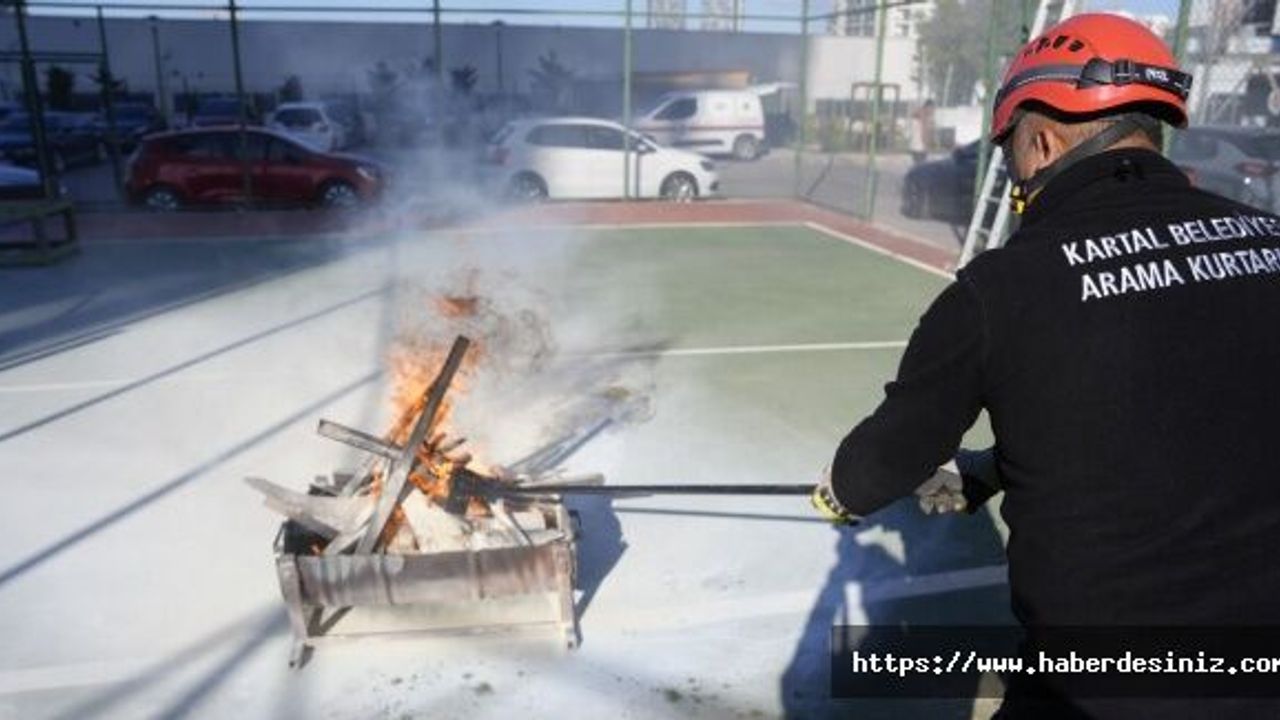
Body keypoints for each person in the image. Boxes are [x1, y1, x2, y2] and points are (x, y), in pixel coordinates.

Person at [811, 13, 1280, 718]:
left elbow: (882, 463)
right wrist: (989, 470)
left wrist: (840, 492)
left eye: (1012, 157)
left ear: (1042, 140)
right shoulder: (1269, 242)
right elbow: (1179, 400)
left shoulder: (1001, 289)